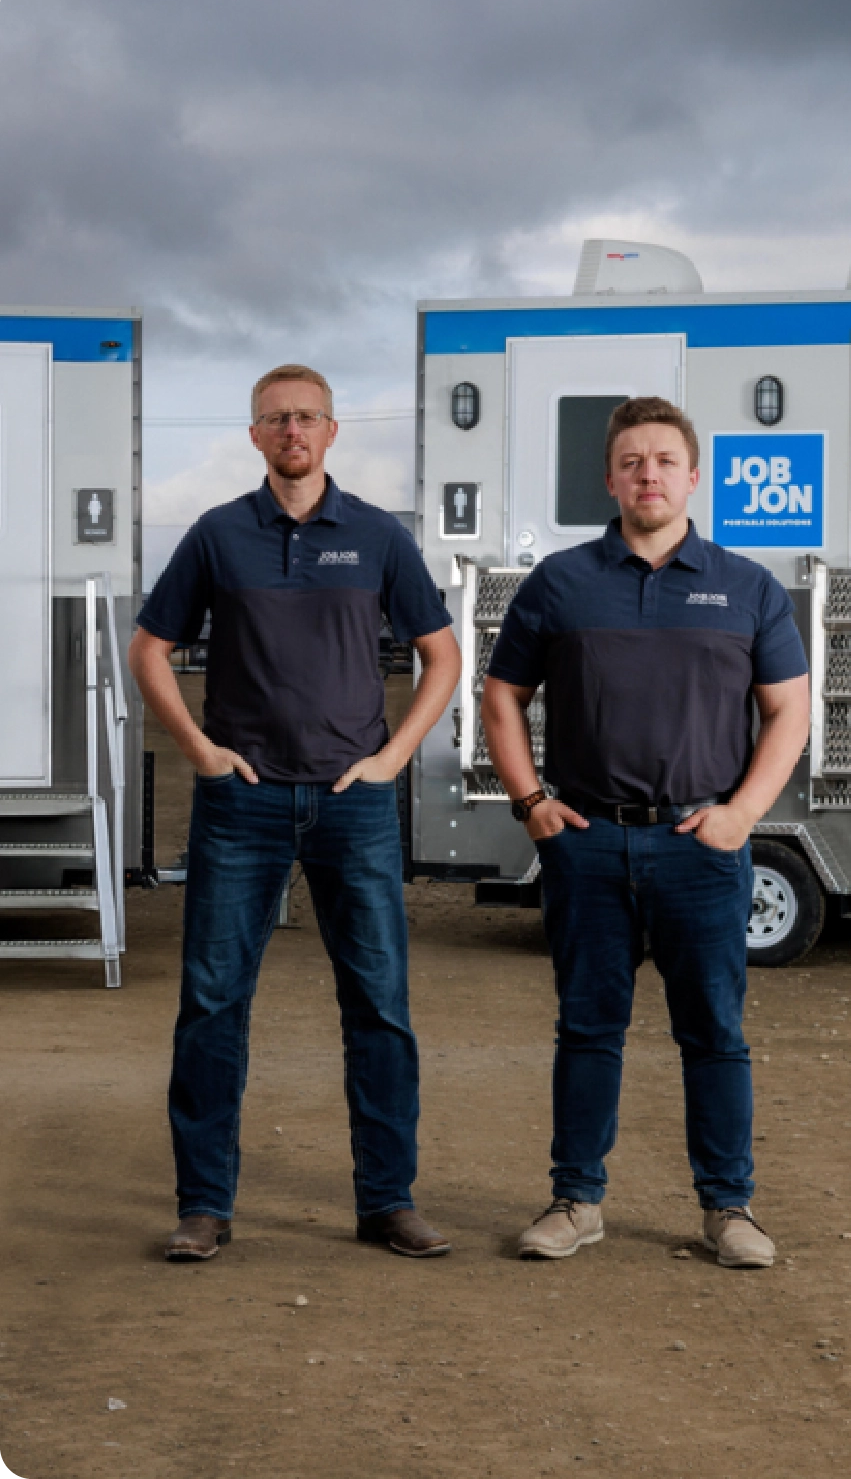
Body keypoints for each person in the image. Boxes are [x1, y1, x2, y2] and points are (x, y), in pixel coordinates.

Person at [130, 363, 461, 1262]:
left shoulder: (379, 537)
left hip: (353, 805)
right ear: (254, 436)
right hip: (243, 803)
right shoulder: (218, 535)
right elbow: (149, 648)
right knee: (211, 1004)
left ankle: (387, 1201)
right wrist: (200, 751)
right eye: (275, 419)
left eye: (307, 416)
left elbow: (442, 654)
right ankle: (204, 1207)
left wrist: (393, 758)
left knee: (379, 1004)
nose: (292, 431)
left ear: (331, 429)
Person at [481, 396, 810, 1269]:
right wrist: (531, 803)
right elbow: (502, 697)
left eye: (664, 460)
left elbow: (788, 711)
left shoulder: (747, 586)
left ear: (693, 475)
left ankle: (728, 1210)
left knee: (713, 1032)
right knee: (589, 1028)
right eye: (632, 461)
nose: (648, 474)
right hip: (587, 844)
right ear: (610, 478)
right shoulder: (561, 582)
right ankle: (576, 1201)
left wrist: (741, 815)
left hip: (699, 847)